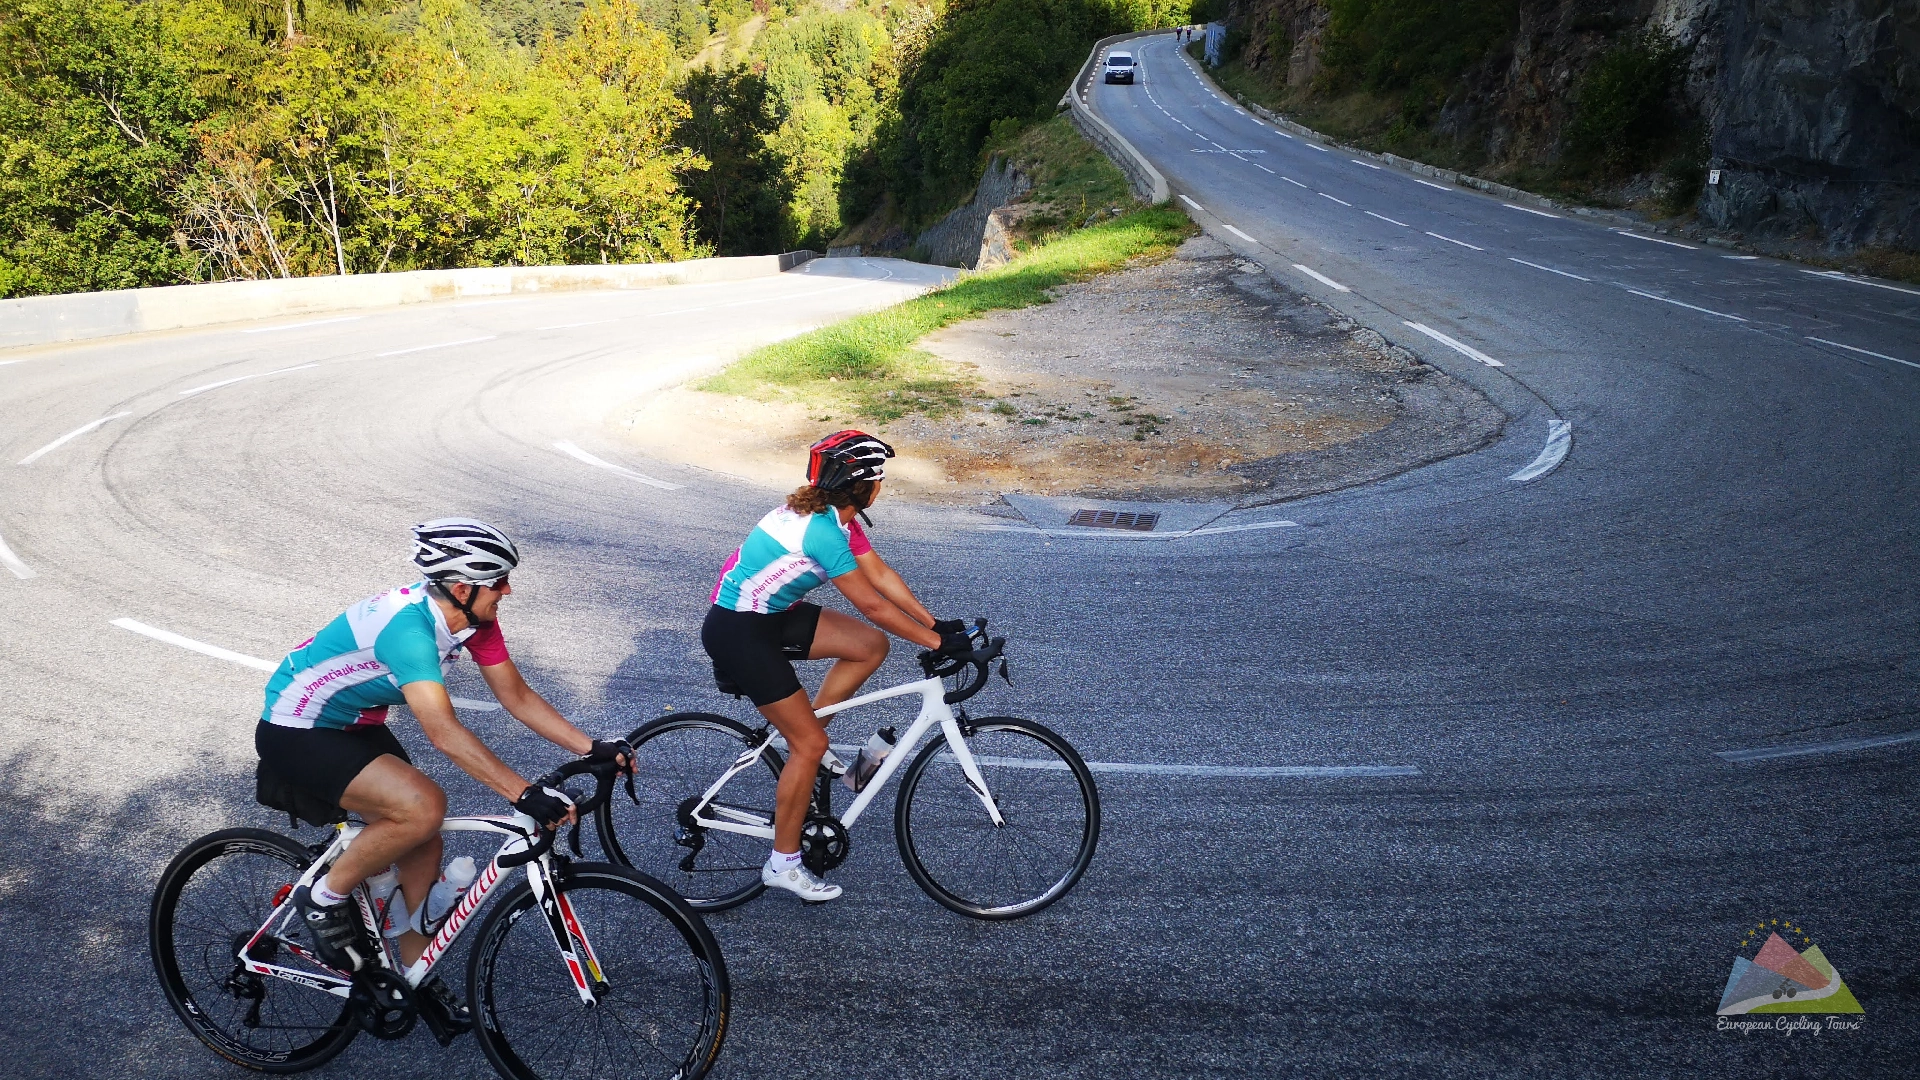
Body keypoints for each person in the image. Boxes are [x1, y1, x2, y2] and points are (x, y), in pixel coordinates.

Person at [256, 518, 629, 1023]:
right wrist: (522, 793)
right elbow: (443, 731)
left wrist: (593, 746)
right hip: (298, 728)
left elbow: (515, 696)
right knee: (422, 808)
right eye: (498, 581)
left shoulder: (472, 619)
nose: (507, 590)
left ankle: (415, 973)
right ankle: (323, 898)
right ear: (461, 587)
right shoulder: (408, 631)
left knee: (423, 839)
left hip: (353, 725)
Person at [703, 431, 974, 902]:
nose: (882, 486)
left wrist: (937, 624)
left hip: (772, 617)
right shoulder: (822, 531)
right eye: (880, 479)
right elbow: (872, 603)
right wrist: (935, 643)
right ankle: (783, 864)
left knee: (869, 646)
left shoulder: (838, 519)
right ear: (862, 486)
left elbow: (881, 576)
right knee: (808, 743)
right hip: (739, 630)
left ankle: (810, 745)